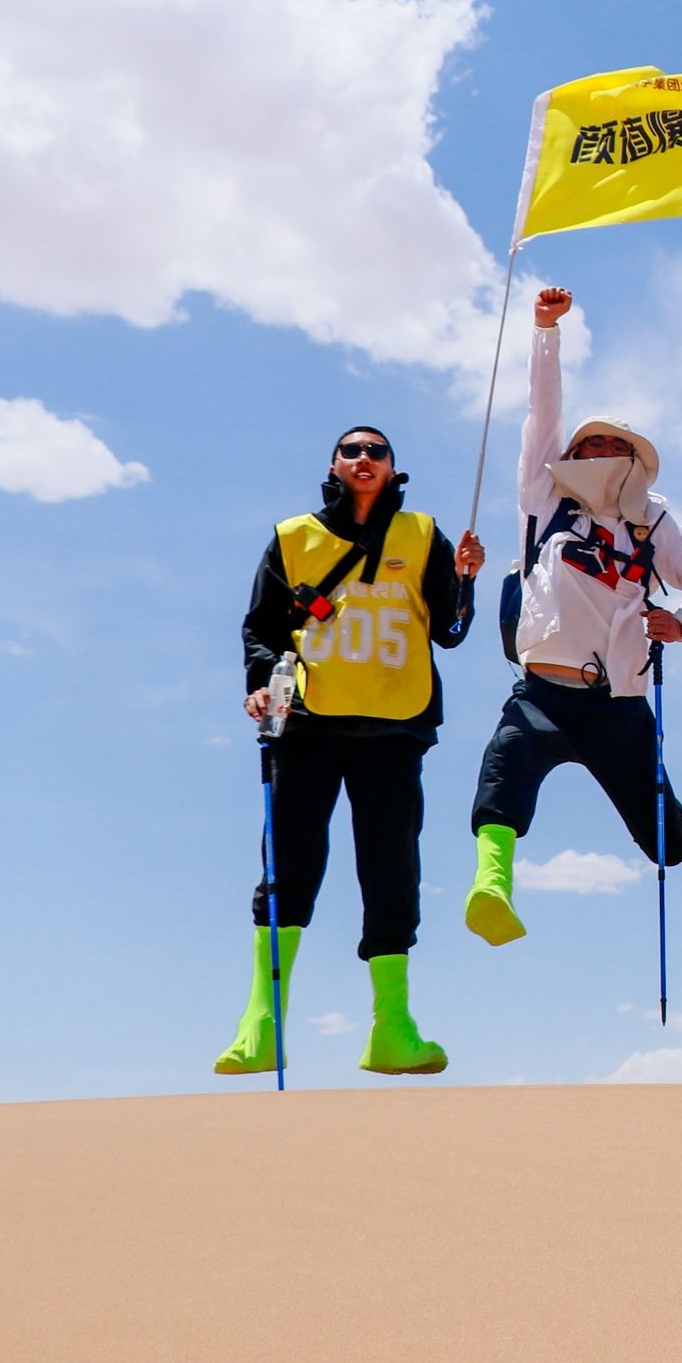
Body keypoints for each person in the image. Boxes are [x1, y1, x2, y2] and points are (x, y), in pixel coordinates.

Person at [463, 287, 682, 947]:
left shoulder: (652, 518)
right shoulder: (542, 498)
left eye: (616, 445)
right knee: (503, 778)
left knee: (674, 844)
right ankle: (491, 887)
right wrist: (546, 333)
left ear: (635, 460)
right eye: (591, 445)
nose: (600, 453)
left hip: (616, 704)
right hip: (541, 694)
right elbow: (542, 416)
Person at [219, 426, 481, 1077]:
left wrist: (465, 580)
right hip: (310, 721)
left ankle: (392, 1027)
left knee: (392, 873)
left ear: (394, 469)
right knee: (289, 866)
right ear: (335, 465)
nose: (365, 460)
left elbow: (448, 631)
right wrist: (261, 685)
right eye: (353, 451)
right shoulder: (293, 537)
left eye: (378, 452)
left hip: (395, 728)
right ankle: (261, 1022)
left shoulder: (423, 534)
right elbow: (261, 627)